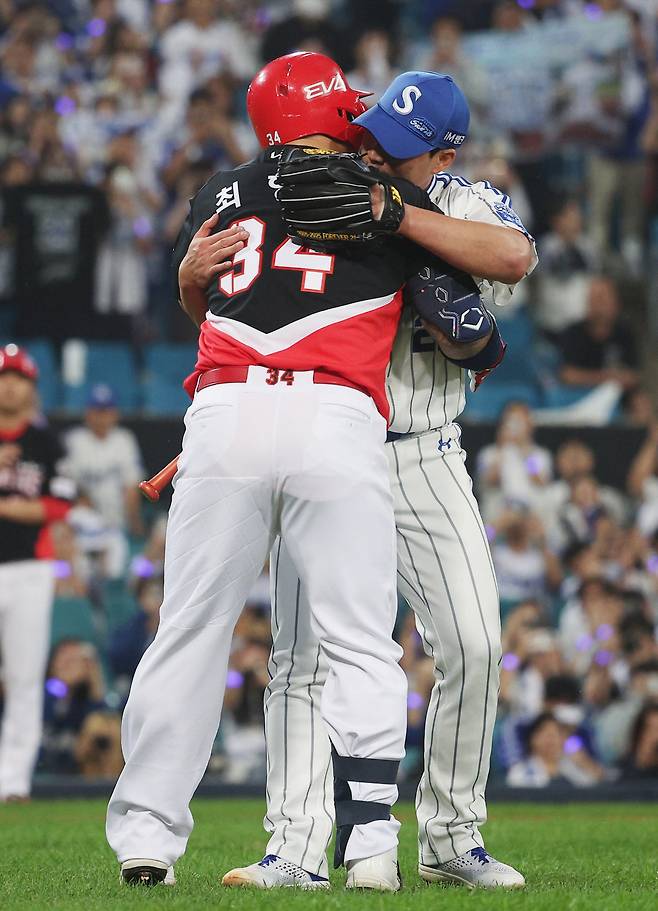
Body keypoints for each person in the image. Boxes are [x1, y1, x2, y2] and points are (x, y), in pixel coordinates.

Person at [106, 52, 482, 890]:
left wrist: (184, 288)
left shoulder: (218, 190)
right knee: (358, 637)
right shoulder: (379, 192)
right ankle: (375, 846)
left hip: (227, 414)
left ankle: (145, 839)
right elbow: (470, 306)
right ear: (323, 115)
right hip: (335, 415)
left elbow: (208, 290)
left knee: (190, 630)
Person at [184, 70, 536, 890]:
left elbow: (512, 256)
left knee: (478, 644)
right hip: (330, 438)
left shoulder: (464, 200)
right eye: (372, 128)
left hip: (420, 447)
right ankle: (296, 849)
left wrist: (399, 221)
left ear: (443, 153)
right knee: (304, 658)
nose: (375, 146)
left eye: (400, 146)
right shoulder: (319, 179)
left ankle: (451, 837)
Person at [0, 345, 74, 801]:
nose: (10, 384)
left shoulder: (47, 442)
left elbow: (59, 503)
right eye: (5, 376)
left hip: (31, 569)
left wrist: (8, 506)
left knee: (26, 677)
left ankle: (14, 780)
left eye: (19, 378)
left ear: (31, 387)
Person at [63, 383, 144, 577]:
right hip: (83, 526)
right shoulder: (74, 441)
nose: (101, 416)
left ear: (115, 413)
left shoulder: (124, 439)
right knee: (82, 571)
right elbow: (65, 485)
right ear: (88, 413)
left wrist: (134, 523)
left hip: (115, 525)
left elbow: (132, 487)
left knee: (115, 573)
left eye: (106, 410)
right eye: (97, 410)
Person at [558, 276, 640, 395]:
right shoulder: (573, 333)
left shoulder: (625, 333)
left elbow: (633, 376)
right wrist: (610, 378)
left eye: (602, 298)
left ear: (616, 302)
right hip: (581, 395)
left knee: (642, 405)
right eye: (594, 299)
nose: (598, 305)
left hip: (617, 396)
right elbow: (568, 376)